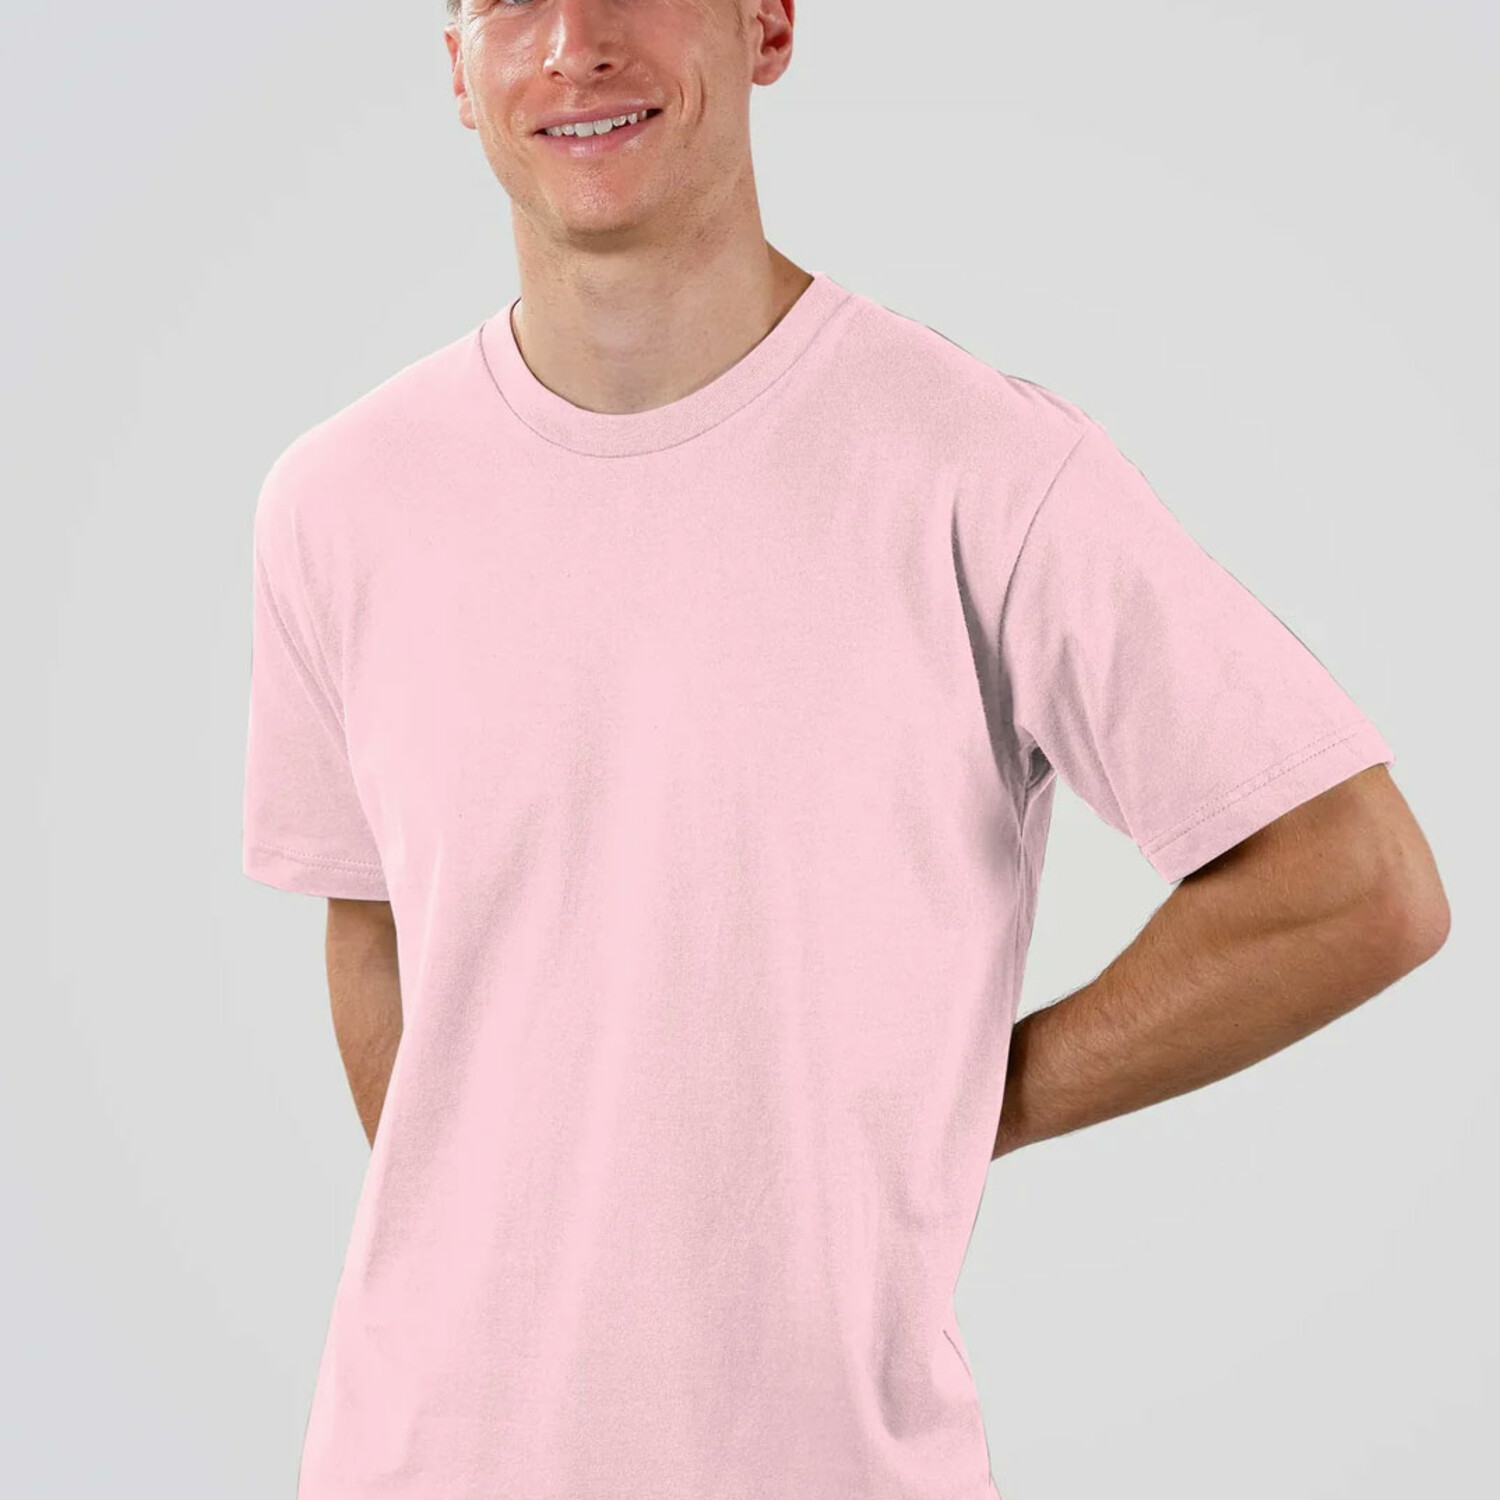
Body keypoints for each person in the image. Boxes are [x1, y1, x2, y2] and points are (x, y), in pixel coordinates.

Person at [240, 2, 1450, 1496]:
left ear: (766, 23)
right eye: (510, 0)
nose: (572, 44)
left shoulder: (987, 472)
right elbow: (371, 931)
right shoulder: (337, 503)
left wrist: (967, 1105)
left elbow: (1355, 884)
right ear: (455, 68)